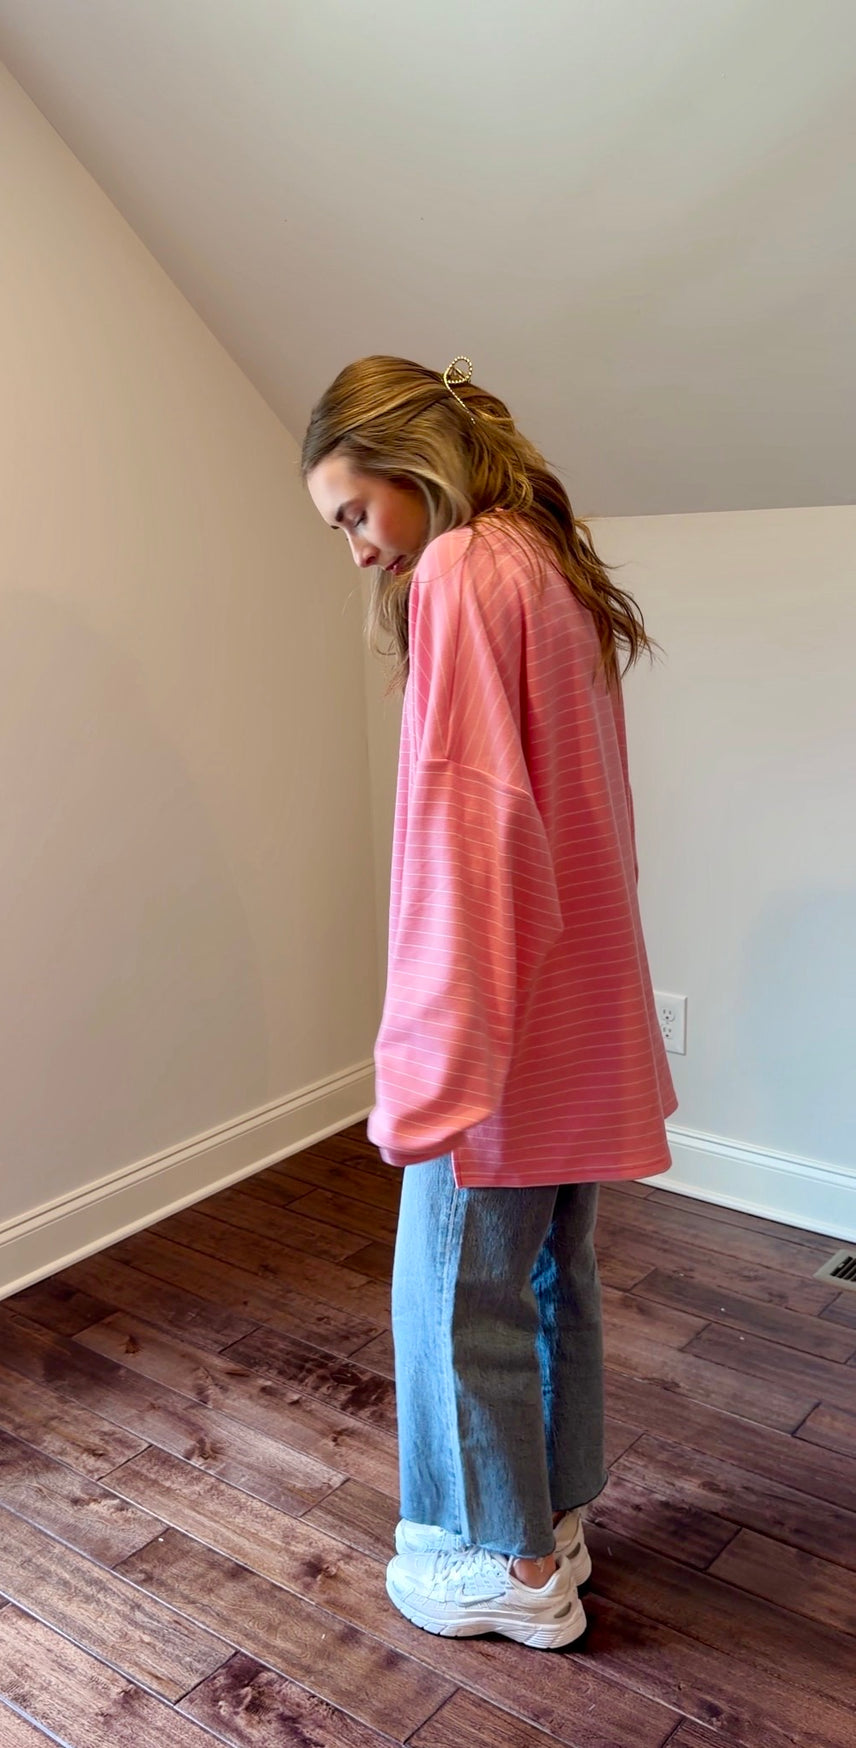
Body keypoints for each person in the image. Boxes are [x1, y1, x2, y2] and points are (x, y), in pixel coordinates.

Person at [302, 355, 677, 1650]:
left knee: (457, 1297)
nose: (357, 551)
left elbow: (474, 828)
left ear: (414, 469)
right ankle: (554, 1514)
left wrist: (433, 1057)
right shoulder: (545, 561)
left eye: (354, 514)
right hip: (576, 1005)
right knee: (548, 1281)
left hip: (500, 1023)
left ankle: (510, 1570)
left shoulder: (462, 570)